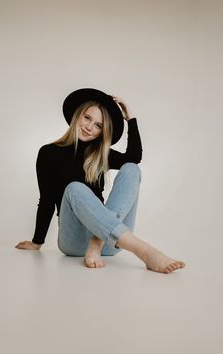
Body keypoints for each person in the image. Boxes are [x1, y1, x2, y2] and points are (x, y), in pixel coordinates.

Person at [15, 88, 186, 274]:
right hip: (73, 242)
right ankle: (145, 251)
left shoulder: (100, 155)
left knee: (131, 168)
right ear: (77, 116)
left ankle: (96, 243)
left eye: (98, 125)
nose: (90, 127)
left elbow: (134, 157)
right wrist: (37, 242)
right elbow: (47, 200)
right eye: (87, 118)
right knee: (74, 188)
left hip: (110, 242)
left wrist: (131, 120)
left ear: (102, 132)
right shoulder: (49, 153)